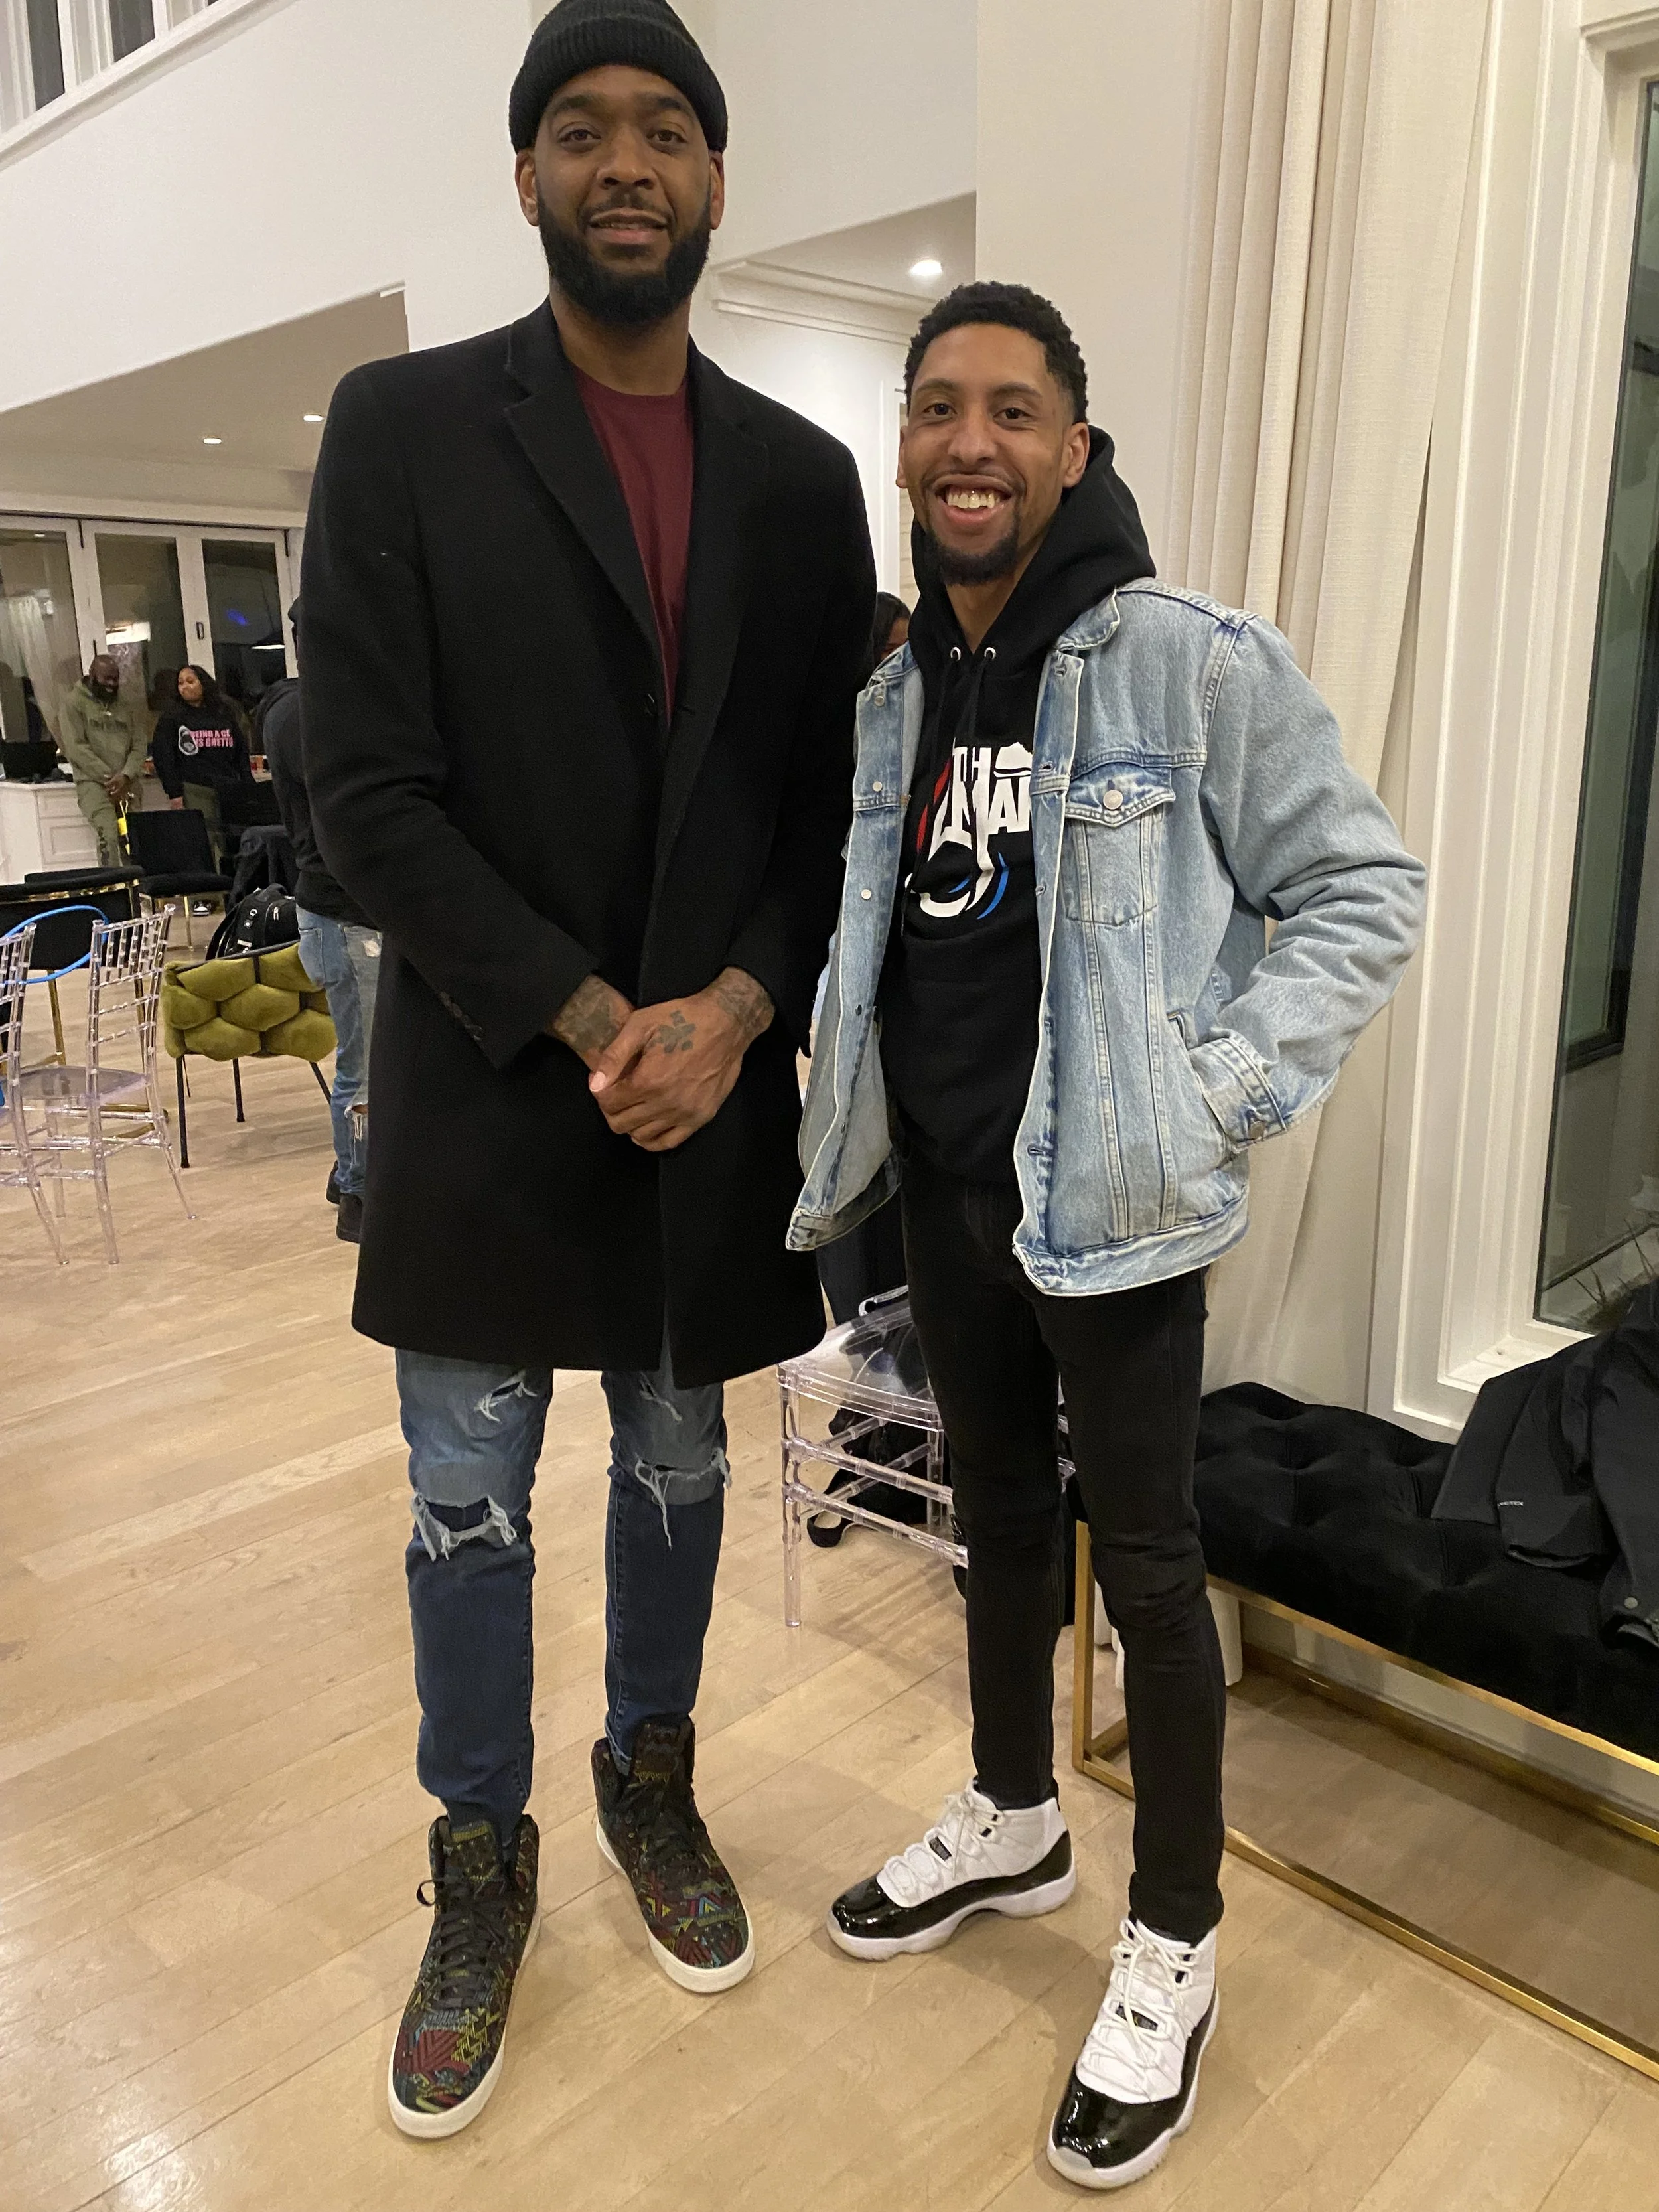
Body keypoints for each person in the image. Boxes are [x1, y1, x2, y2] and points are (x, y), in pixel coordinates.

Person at [301, 0, 873, 2141]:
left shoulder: (807, 488)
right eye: (580, 128)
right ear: (524, 177)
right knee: (466, 1511)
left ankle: (654, 1782)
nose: (625, 160)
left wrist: (730, 1011)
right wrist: (580, 1014)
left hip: (707, 1098)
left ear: (719, 181)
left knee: (678, 1476)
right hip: (491, 1081)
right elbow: (363, 790)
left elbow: (826, 802)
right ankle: (481, 1863)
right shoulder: (406, 425)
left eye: (666, 130)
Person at [791, 283, 1427, 2193]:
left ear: (1072, 448)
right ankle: (1009, 1816)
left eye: (1008, 410)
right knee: (988, 1514)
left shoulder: (1182, 660)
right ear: (905, 447)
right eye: (934, 409)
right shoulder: (896, 692)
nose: (965, 442)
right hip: (950, 1194)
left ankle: (1174, 1931)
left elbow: (1361, 885)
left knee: (1145, 1564)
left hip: (1111, 1203)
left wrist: (1209, 1087)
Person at [261, 601, 380, 1247]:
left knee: (364, 1061)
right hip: (343, 911)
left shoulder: (284, 707)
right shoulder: (317, 714)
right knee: (363, 1069)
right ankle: (360, 1194)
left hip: (327, 909)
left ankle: (348, 1171)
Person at [56, 654, 145, 863]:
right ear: (92, 674)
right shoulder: (73, 703)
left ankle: (138, 890)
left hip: (128, 783)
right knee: (109, 834)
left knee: (133, 838)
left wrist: (125, 775)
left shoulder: (127, 703)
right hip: (94, 783)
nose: (112, 684)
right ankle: (112, 889)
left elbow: (139, 744)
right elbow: (76, 748)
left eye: (116, 679)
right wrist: (110, 777)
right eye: (107, 679)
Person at [151, 664, 256, 807]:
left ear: (204, 684)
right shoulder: (171, 718)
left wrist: (248, 783)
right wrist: (174, 792)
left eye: (190, 681)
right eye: (180, 683)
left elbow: (241, 750)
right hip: (194, 790)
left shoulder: (224, 712)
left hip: (229, 785)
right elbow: (164, 758)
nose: (185, 687)